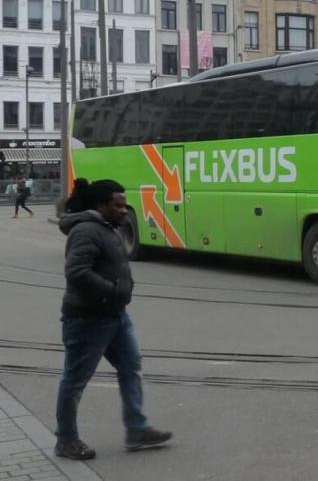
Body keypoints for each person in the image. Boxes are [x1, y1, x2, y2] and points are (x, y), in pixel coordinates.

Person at [54, 179, 172, 460]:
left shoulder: (107, 228)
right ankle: (66, 440)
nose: (124, 210)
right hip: (88, 319)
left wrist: (117, 296)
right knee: (75, 381)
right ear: (101, 205)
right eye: (118, 205)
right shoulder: (86, 231)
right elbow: (77, 272)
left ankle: (137, 429)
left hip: (115, 316)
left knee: (131, 368)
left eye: (124, 204)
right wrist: (113, 292)